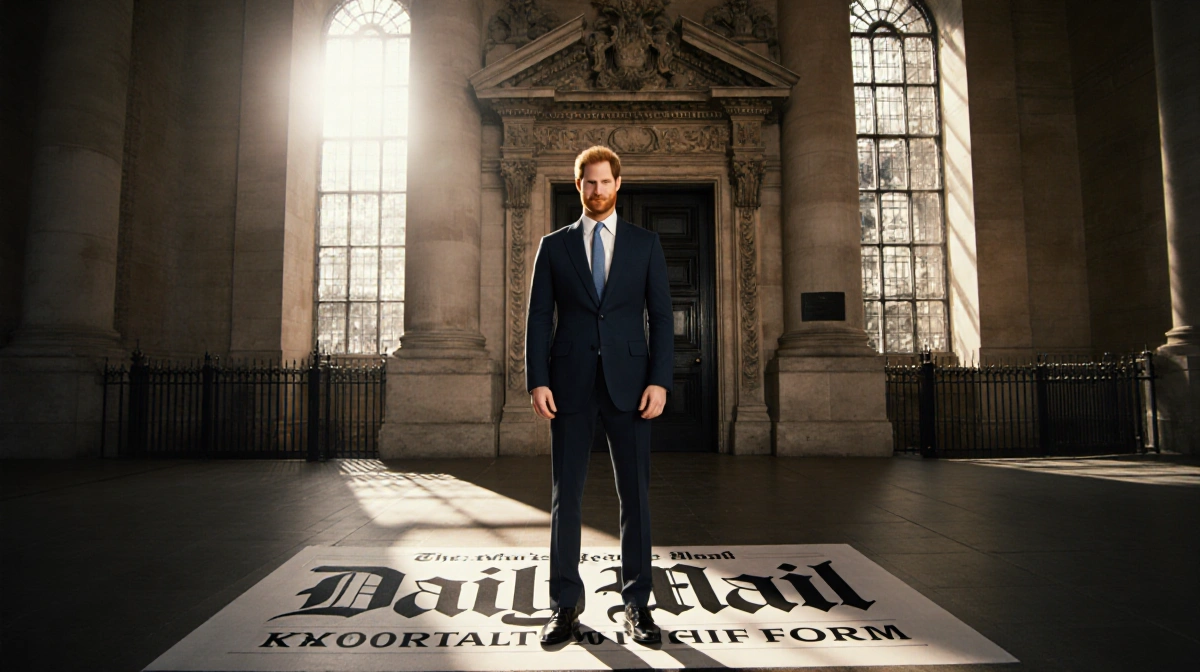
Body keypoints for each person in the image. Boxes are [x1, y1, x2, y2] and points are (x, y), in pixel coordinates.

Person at [525, 146, 673, 646]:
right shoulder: (553, 246)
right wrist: (537, 379)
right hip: (568, 385)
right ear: (578, 187)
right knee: (566, 496)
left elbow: (662, 318)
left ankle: (637, 604)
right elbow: (539, 317)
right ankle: (565, 606)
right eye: (589, 183)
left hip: (632, 387)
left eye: (605, 182)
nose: (597, 190)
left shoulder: (645, 244)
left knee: (635, 496)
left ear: (618, 184)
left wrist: (660, 380)